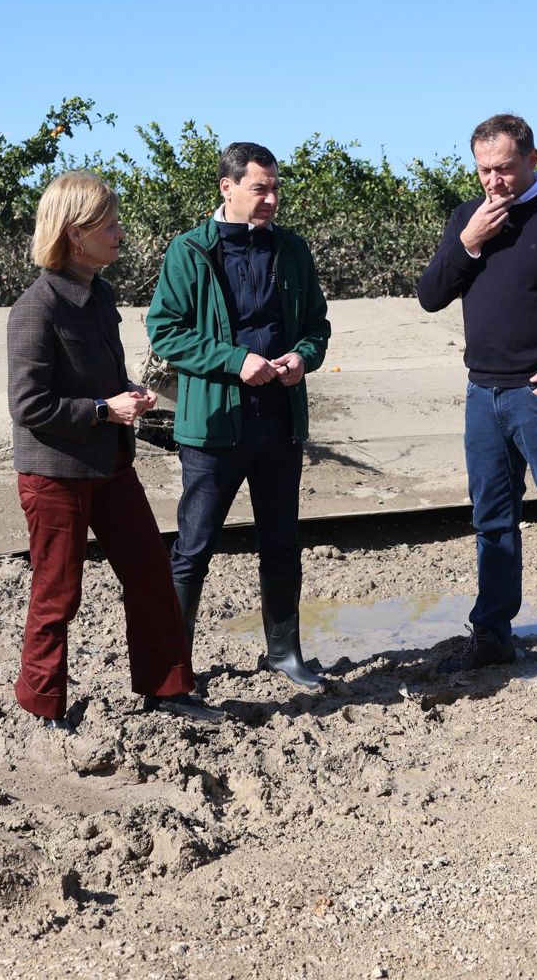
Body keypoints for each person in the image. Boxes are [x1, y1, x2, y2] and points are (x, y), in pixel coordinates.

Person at [6, 170, 222, 729]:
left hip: (110, 466)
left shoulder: (99, 295)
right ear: (75, 233)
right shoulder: (37, 307)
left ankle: (167, 688)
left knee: (151, 574)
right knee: (58, 593)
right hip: (55, 475)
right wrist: (105, 409)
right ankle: (42, 704)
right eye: (110, 223)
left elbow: (99, 378)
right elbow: (29, 406)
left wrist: (131, 395)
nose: (120, 231)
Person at [146, 142, 332, 692]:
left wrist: (303, 356)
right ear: (227, 187)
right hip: (213, 427)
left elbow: (317, 326)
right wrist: (235, 362)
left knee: (281, 543)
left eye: (275, 187)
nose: (271, 198)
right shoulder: (190, 251)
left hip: (279, 422)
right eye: (260, 188)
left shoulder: (292, 250)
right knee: (194, 547)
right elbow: (166, 331)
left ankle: (285, 653)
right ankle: (176, 664)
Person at [416, 114, 537, 690]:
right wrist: (467, 245)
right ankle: (493, 637)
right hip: (482, 394)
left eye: (506, 169)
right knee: (493, 521)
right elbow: (430, 296)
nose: (495, 181)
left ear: (534, 161)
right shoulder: (468, 217)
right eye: (484, 170)